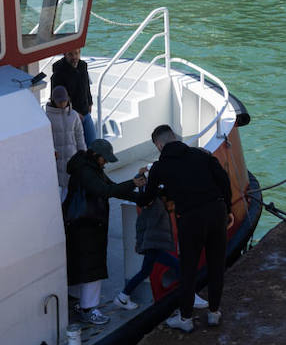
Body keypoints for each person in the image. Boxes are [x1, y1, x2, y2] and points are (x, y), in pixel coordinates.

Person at [139, 125, 234, 331]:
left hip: (191, 218)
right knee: (216, 264)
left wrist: (140, 187)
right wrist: (227, 208)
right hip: (216, 211)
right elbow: (223, 181)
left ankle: (186, 318)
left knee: (188, 268)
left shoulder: (159, 167)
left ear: (159, 144)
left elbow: (148, 197)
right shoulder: (201, 155)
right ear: (175, 138)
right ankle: (214, 312)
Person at [64, 138, 146, 325]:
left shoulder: (88, 168)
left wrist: (138, 196)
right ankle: (89, 309)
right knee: (93, 268)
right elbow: (105, 190)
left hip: (81, 224)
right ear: (95, 155)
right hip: (87, 225)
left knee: (82, 266)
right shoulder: (87, 172)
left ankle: (80, 303)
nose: (106, 162)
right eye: (104, 158)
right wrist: (133, 184)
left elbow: (111, 188)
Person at [115, 195, 181, 309]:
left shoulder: (157, 204)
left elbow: (143, 223)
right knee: (178, 265)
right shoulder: (158, 206)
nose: (174, 207)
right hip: (153, 246)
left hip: (152, 245)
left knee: (145, 272)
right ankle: (190, 295)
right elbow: (147, 224)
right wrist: (142, 243)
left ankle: (123, 296)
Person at [46, 85, 85, 201]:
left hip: (73, 157)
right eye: (60, 102)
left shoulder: (73, 115)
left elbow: (79, 136)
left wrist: (83, 155)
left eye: (64, 101)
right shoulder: (47, 116)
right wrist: (52, 151)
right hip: (57, 160)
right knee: (61, 191)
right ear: (53, 101)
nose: (62, 104)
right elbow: (46, 138)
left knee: (74, 187)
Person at [52, 48, 95, 145]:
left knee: (92, 144)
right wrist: (72, 112)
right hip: (71, 116)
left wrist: (90, 102)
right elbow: (57, 97)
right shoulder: (58, 73)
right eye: (70, 54)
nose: (74, 57)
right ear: (65, 54)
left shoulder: (83, 66)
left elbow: (86, 86)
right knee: (78, 146)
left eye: (76, 53)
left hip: (85, 112)